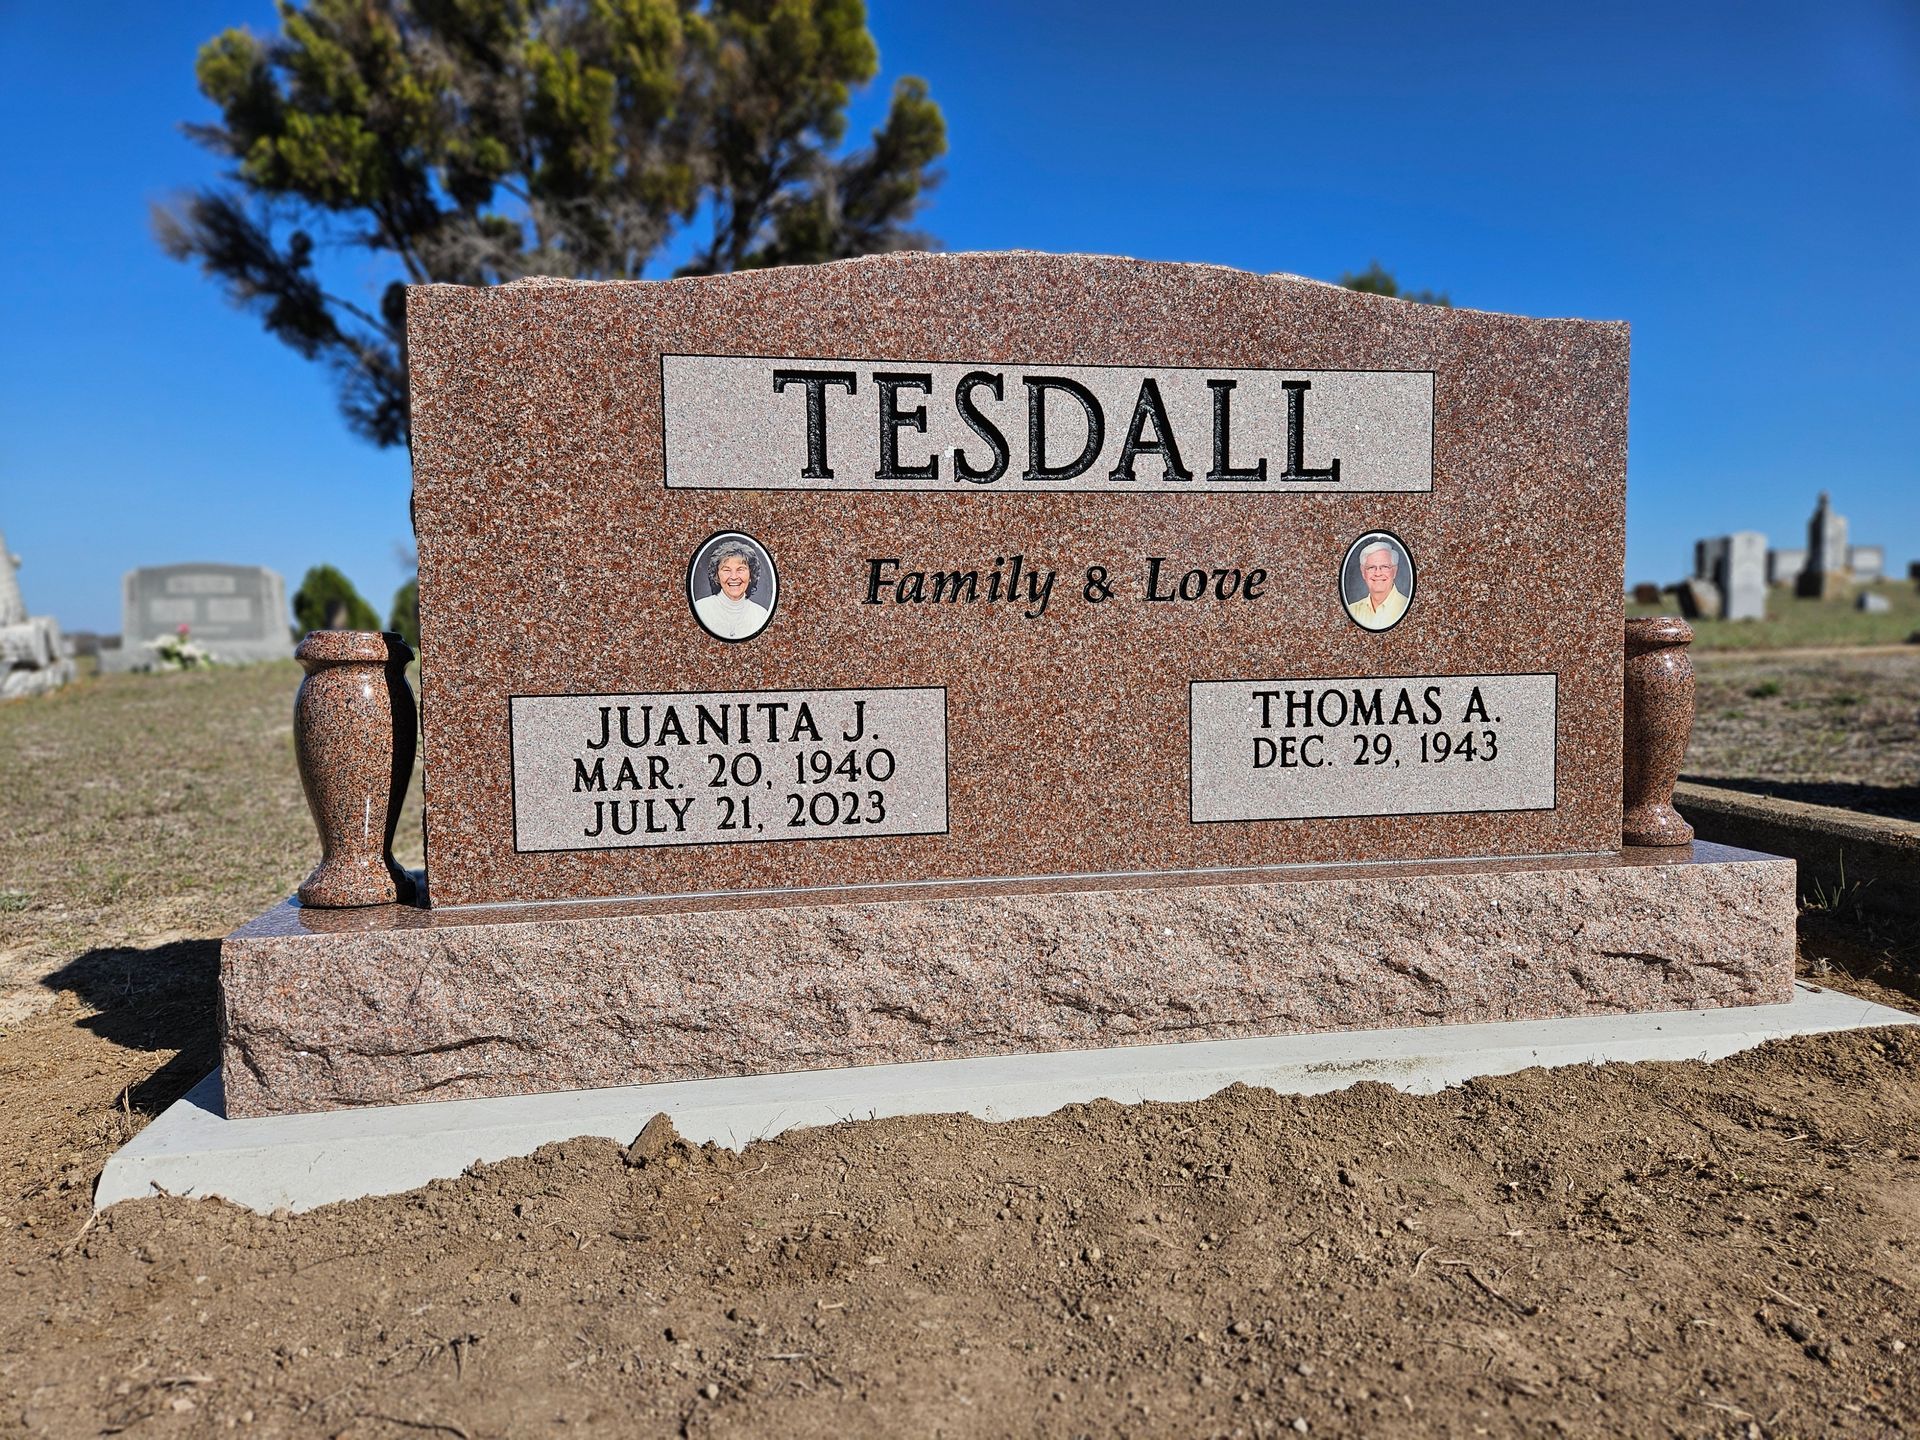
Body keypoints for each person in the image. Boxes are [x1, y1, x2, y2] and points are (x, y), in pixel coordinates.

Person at [693, 540, 772, 639]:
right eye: (726, 570)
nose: (734, 577)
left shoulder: (761, 615)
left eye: (740, 569)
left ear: (751, 575)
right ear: (716, 576)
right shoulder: (701, 609)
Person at [1346, 539, 1409, 630]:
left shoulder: (1405, 606)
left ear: (1394, 571)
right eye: (1371, 567)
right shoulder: (1352, 611)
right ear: (1363, 572)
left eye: (1385, 567)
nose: (1378, 573)